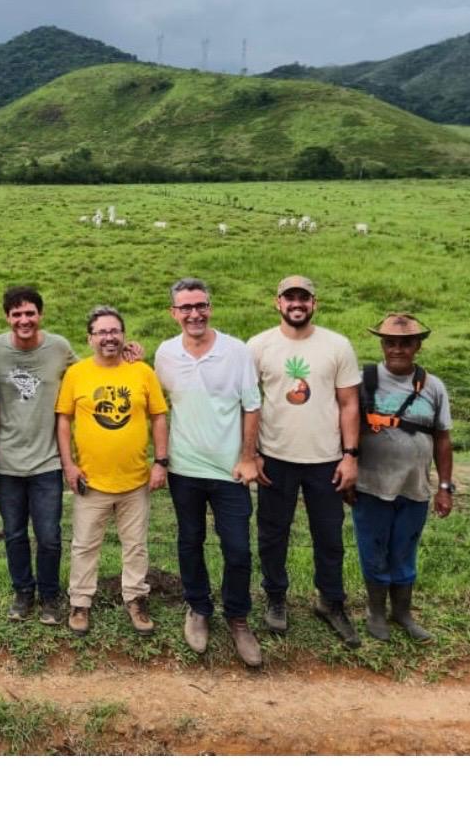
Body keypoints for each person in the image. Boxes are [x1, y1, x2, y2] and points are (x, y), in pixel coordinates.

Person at [248, 275, 362, 647]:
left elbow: (349, 403)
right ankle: (275, 597)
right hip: (275, 458)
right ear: (277, 302)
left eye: (304, 298)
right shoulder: (259, 346)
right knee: (272, 534)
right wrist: (252, 454)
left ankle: (331, 601)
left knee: (329, 536)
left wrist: (350, 456)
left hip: (326, 459)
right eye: (289, 298)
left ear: (314, 303)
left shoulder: (336, 345)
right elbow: (249, 405)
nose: (297, 304)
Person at [154, 279, 263, 667]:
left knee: (237, 549)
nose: (194, 314)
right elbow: (156, 401)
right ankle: (198, 608)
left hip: (229, 469)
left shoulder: (236, 351)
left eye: (200, 305)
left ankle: (237, 617)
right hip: (184, 468)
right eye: (185, 308)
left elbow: (252, 405)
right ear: (174, 313)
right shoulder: (165, 353)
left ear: (210, 307)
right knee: (190, 540)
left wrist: (249, 457)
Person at [56, 305, 168, 637]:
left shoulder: (142, 372)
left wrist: (160, 462)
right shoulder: (77, 373)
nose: (109, 337)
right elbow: (63, 419)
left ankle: (135, 599)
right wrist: (69, 465)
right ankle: (80, 602)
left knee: (135, 545)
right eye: (101, 332)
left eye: (114, 330)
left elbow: (159, 416)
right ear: (90, 339)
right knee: (84, 545)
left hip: (135, 480)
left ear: (124, 335)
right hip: (91, 480)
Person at [351, 313, 454, 642]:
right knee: (373, 549)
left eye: (405, 343)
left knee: (404, 550)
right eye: (391, 342)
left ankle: (403, 612)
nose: (398, 349)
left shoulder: (433, 386)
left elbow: (442, 439)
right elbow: (344, 430)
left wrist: (445, 487)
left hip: (415, 488)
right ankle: (376, 613)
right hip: (369, 486)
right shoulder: (362, 380)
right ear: (382, 344)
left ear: (417, 346)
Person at [0, 286, 77, 626]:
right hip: (6, 461)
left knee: (49, 535)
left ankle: (50, 595)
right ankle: (23, 592)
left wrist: (127, 353)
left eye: (30, 313)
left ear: (40, 314)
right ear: (7, 317)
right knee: (14, 533)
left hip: (48, 460)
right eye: (17, 314)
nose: (24, 320)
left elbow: (90, 374)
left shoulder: (59, 347)